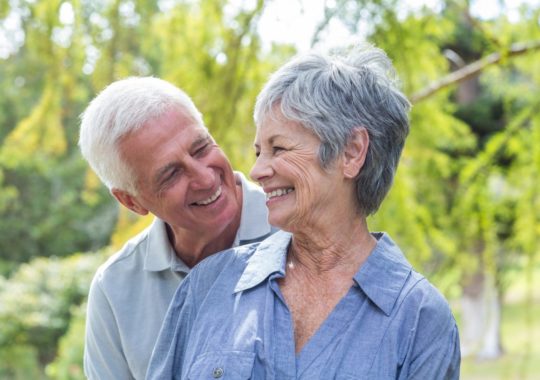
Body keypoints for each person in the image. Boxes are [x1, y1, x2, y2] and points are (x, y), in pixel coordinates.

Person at [146, 45, 461, 379]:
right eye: (258, 152)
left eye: (278, 148)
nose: (257, 171)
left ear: (351, 152)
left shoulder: (420, 319)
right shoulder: (206, 286)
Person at [78, 76, 276, 379]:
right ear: (131, 201)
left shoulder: (304, 231)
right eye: (171, 174)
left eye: (200, 148)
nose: (206, 179)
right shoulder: (115, 290)